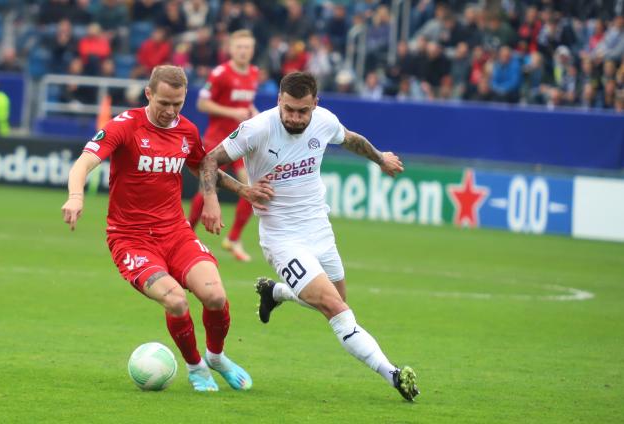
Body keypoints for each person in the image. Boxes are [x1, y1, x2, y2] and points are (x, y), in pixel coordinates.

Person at [198, 71, 419, 401]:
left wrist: (380, 158)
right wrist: (235, 192)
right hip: (281, 237)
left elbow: (350, 138)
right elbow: (209, 160)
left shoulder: (324, 121)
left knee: (338, 302)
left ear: (315, 104)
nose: (295, 118)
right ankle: (393, 374)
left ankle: (278, 293)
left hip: (319, 228)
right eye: (289, 109)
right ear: (279, 102)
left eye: (302, 111)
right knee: (335, 308)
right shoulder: (259, 128)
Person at [60, 65, 273, 392]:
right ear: (149, 94)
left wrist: (238, 193)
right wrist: (76, 196)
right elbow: (84, 162)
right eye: (163, 103)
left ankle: (216, 357)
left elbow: (204, 167)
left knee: (215, 296)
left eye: (177, 104)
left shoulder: (186, 130)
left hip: (175, 232)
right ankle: (196, 368)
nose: (170, 111)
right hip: (131, 239)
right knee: (175, 300)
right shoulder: (125, 126)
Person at [187, 29, 260, 262]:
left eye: (247, 47)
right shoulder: (220, 74)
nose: (243, 51)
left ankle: (234, 238)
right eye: (239, 47)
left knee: (251, 189)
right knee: (208, 189)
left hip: (240, 141)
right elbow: (202, 103)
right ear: (230, 49)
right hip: (217, 141)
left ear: (252, 50)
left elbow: (246, 105)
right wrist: (232, 111)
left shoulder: (254, 73)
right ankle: (187, 233)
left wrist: (254, 115)